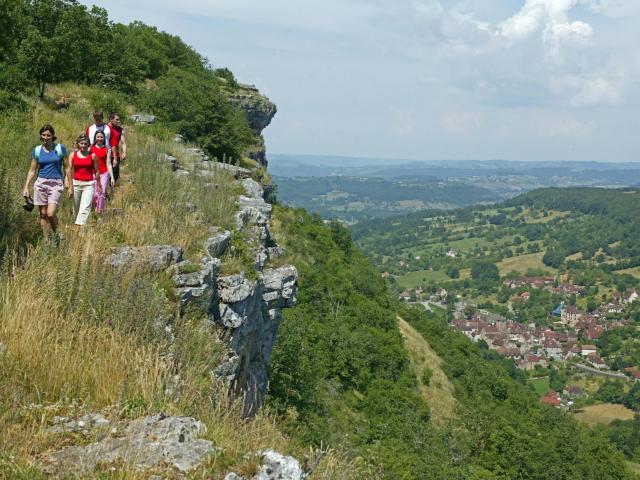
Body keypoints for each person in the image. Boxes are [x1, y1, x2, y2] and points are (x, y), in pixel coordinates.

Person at [22, 124, 68, 242]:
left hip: (56, 183)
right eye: (43, 135)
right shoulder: (37, 150)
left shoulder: (60, 149)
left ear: (53, 135)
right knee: (43, 214)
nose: (46, 137)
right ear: (41, 136)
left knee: (50, 213)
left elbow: (67, 167)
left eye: (48, 135)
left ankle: (58, 235)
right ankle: (47, 240)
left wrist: (69, 184)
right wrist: (26, 186)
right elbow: (32, 170)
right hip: (41, 183)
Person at [67, 133, 101, 228]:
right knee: (76, 208)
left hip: (88, 184)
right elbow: (69, 169)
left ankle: (79, 228)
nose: (84, 146)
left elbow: (97, 171)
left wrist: (99, 185)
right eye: (82, 143)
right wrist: (68, 183)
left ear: (88, 145)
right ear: (78, 144)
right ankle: (77, 226)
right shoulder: (73, 155)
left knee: (85, 207)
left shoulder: (93, 156)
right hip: (76, 183)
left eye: (86, 144)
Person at [91, 131, 114, 214]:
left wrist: (112, 177)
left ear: (104, 138)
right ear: (95, 138)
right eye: (98, 137)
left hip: (103, 174)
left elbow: (108, 163)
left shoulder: (107, 149)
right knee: (93, 194)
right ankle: (92, 209)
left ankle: (99, 212)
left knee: (102, 193)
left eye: (101, 137)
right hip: (92, 173)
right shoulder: (91, 148)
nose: (99, 139)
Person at [107, 112, 126, 184]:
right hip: (106, 155)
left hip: (116, 155)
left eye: (119, 119)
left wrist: (124, 152)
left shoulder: (119, 129)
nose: (119, 121)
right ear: (111, 119)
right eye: (117, 120)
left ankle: (112, 192)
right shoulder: (105, 128)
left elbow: (123, 142)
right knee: (106, 175)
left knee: (115, 176)